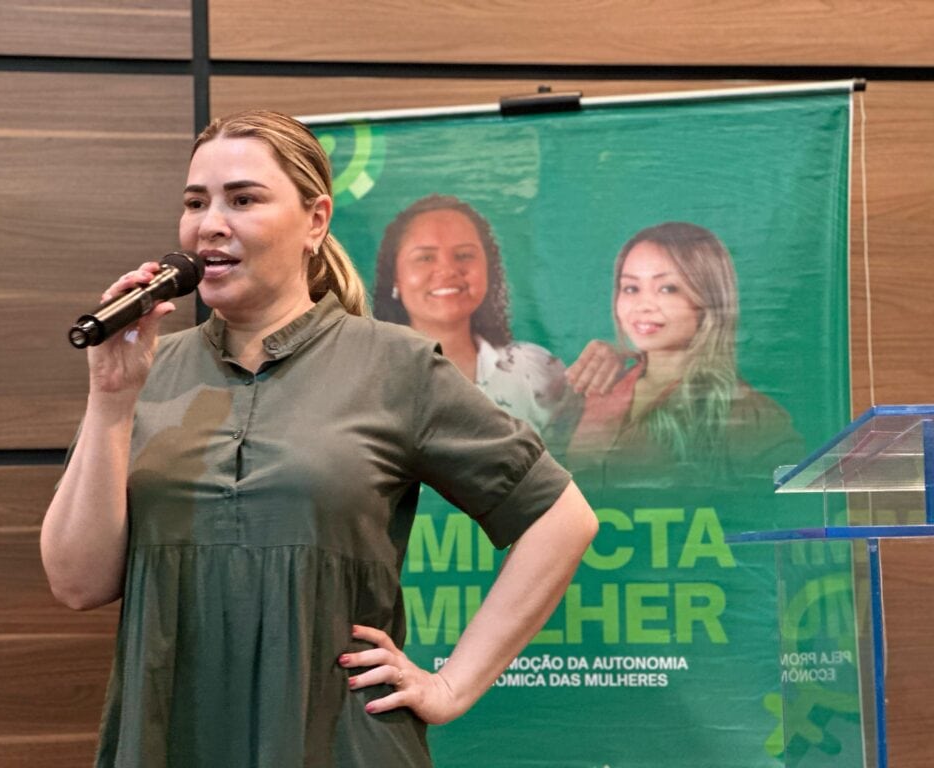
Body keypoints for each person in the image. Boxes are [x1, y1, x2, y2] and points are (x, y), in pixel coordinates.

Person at [40, 110, 597, 768]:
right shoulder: (145, 371)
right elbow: (77, 583)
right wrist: (110, 402)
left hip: (342, 747)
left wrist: (450, 686)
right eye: (196, 202)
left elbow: (561, 519)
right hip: (167, 742)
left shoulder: (396, 366)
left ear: (315, 220)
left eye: (243, 199)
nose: (209, 224)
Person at [562, 221, 802, 489]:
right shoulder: (599, 391)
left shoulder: (745, 412)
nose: (643, 306)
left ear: (707, 300)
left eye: (667, 288)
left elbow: (792, 507)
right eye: (631, 288)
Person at [372, 194, 583, 436]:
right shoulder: (366, 380)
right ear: (395, 277)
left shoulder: (536, 369)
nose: (448, 270)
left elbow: (581, 457)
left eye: (464, 255)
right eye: (425, 258)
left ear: (488, 268)